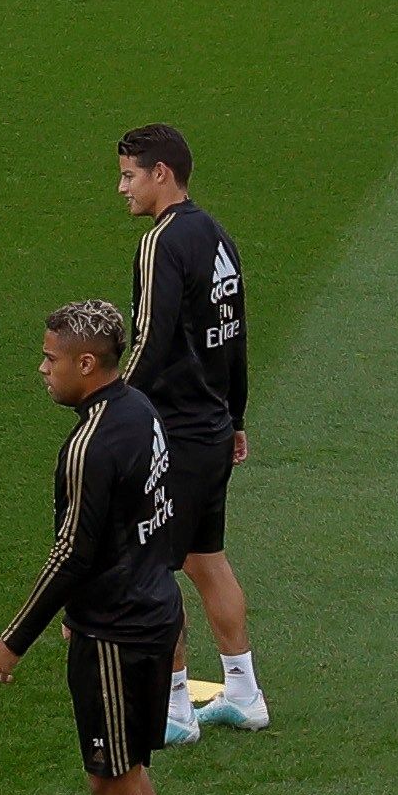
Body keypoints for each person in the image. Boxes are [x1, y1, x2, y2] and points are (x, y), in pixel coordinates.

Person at [0, 303, 184, 795]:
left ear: (84, 363)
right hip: (154, 610)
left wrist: (14, 640)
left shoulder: (89, 444)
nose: (41, 370)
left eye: (49, 359)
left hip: (116, 633)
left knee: (113, 785)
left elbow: (69, 553)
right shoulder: (140, 412)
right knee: (131, 774)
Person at [117, 123, 265, 742]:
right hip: (211, 429)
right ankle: (243, 691)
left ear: (161, 174)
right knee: (208, 559)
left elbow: (149, 340)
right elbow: (234, 336)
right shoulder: (215, 235)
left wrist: (111, 404)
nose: (121, 188)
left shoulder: (162, 243)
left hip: (175, 433)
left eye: (128, 175)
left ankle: (176, 707)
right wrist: (235, 418)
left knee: (151, 566)